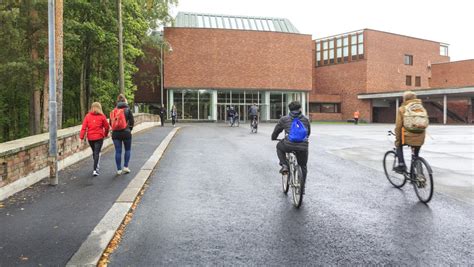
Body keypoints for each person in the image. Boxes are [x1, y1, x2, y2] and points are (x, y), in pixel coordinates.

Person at [271, 101, 311, 191]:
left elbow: (277, 130)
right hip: (303, 146)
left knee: (279, 146)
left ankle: (284, 165)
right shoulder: (305, 119)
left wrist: (274, 137)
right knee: (303, 165)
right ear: (300, 109)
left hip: (289, 145)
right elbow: (308, 133)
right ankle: (302, 187)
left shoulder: (284, 119)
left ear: (289, 109)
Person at [394, 91, 428, 173]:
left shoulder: (402, 109)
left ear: (405, 99)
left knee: (399, 145)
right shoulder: (421, 108)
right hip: (420, 136)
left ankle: (401, 165)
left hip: (407, 136)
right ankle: (419, 174)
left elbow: (398, 126)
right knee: (415, 155)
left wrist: (397, 139)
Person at [80, 102, 110, 176]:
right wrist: (105, 134)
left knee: (94, 152)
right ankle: (95, 169)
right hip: (99, 137)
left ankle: (95, 166)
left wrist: (81, 137)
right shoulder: (102, 116)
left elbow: (84, 127)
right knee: (97, 152)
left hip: (90, 138)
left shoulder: (88, 116)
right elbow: (107, 127)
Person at [110, 94, 135, 175]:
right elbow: (132, 122)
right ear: (125, 101)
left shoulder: (114, 111)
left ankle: (118, 169)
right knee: (127, 150)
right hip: (126, 132)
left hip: (116, 134)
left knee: (118, 151)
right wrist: (129, 129)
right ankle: (126, 167)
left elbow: (110, 123)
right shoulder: (127, 109)